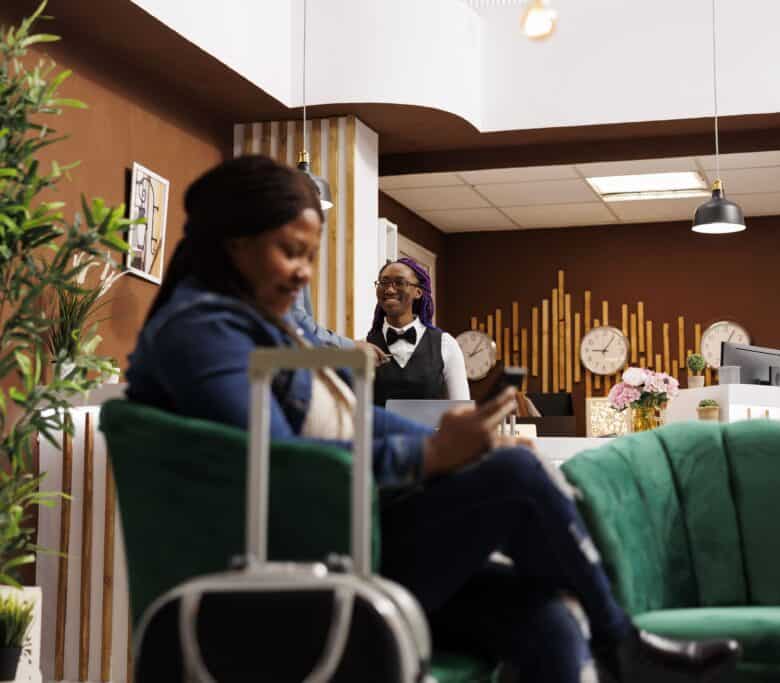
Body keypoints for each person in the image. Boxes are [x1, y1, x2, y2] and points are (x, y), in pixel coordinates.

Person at [125, 155, 740, 683]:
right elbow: (282, 468)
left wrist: (464, 445)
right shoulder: (201, 332)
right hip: (299, 562)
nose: (305, 273)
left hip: (346, 536)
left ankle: (616, 644)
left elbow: (362, 424)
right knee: (517, 482)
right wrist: (429, 457)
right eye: (291, 252)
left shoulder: (261, 330)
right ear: (234, 243)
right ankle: (622, 646)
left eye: (310, 256)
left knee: (544, 614)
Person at [365, 257, 470, 406]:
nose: (389, 289)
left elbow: (462, 409)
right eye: (384, 282)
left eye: (400, 283)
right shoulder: (365, 345)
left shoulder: (445, 344)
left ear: (418, 292)